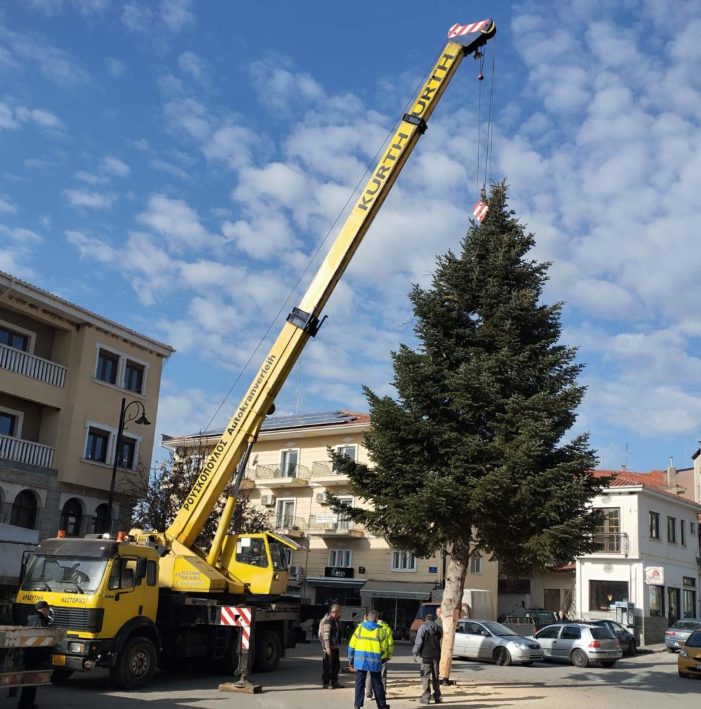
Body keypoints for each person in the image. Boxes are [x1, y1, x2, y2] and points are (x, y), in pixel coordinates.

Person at [348, 609, 391, 709]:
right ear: (376, 619)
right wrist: (382, 658)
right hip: (375, 662)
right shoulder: (380, 631)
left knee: (359, 683)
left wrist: (351, 659)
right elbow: (384, 648)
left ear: (367, 618)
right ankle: (382, 706)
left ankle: (357, 705)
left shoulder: (359, 629)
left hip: (360, 661)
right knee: (377, 684)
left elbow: (351, 645)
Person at [18, 600, 52, 709]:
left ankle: (26, 703)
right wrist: (45, 655)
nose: (48, 612)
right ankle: (26, 704)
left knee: (30, 680)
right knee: (31, 681)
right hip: (35, 656)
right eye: (48, 610)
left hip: (29, 654)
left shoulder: (31, 617)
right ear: (44, 609)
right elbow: (41, 640)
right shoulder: (38, 621)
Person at [412, 613, 442, 705]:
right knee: (436, 676)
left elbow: (418, 642)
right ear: (434, 620)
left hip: (426, 655)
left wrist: (415, 653)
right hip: (436, 655)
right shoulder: (439, 628)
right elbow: (441, 639)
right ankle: (437, 696)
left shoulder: (423, 627)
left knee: (425, 677)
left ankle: (426, 698)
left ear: (425, 620)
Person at [366, 610, 393, 701]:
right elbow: (390, 644)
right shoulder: (386, 628)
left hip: (371, 655)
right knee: (382, 676)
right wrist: (389, 655)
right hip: (383, 656)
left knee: (370, 674)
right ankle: (382, 694)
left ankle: (369, 694)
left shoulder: (370, 627)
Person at [318, 604, 342, 689]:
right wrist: (327, 648)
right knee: (328, 666)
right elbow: (326, 636)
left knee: (336, 665)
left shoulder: (336, 620)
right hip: (329, 648)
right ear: (335, 612)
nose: (340, 613)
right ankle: (326, 683)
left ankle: (334, 682)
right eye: (339, 612)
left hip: (335, 647)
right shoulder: (327, 621)